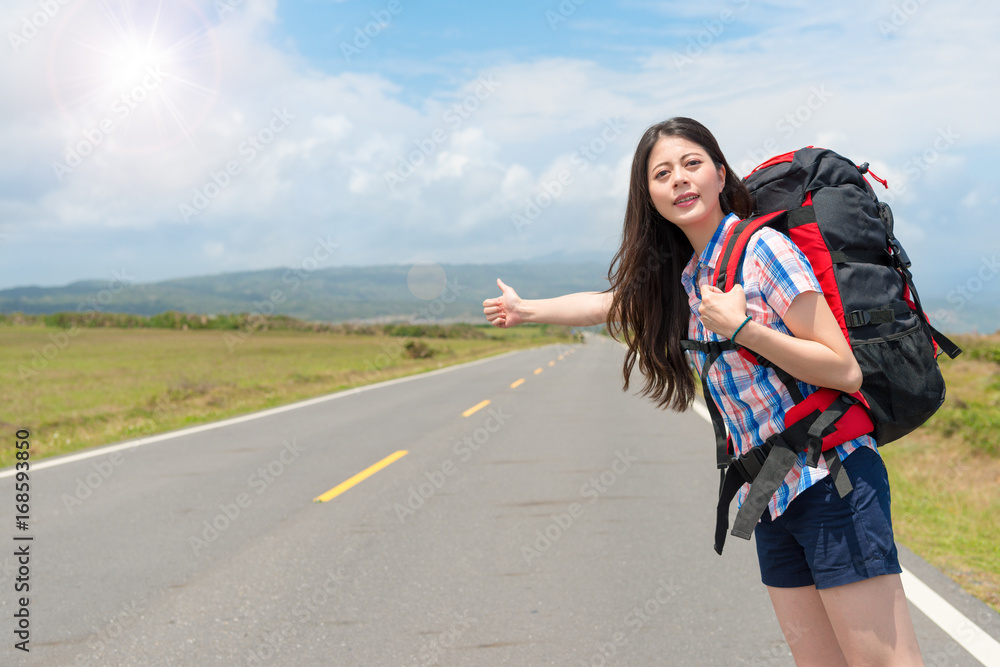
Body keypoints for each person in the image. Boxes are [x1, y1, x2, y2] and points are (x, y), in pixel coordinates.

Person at [482, 117, 924, 666]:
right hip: (768, 492)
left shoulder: (764, 251)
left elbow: (844, 370)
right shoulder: (691, 277)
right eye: (662, 173)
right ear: (648, 195)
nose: (679, 180)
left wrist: (744, 330)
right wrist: (528, 311)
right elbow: (609, 303)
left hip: (828, 477)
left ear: (719, 174)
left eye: (692, 164)